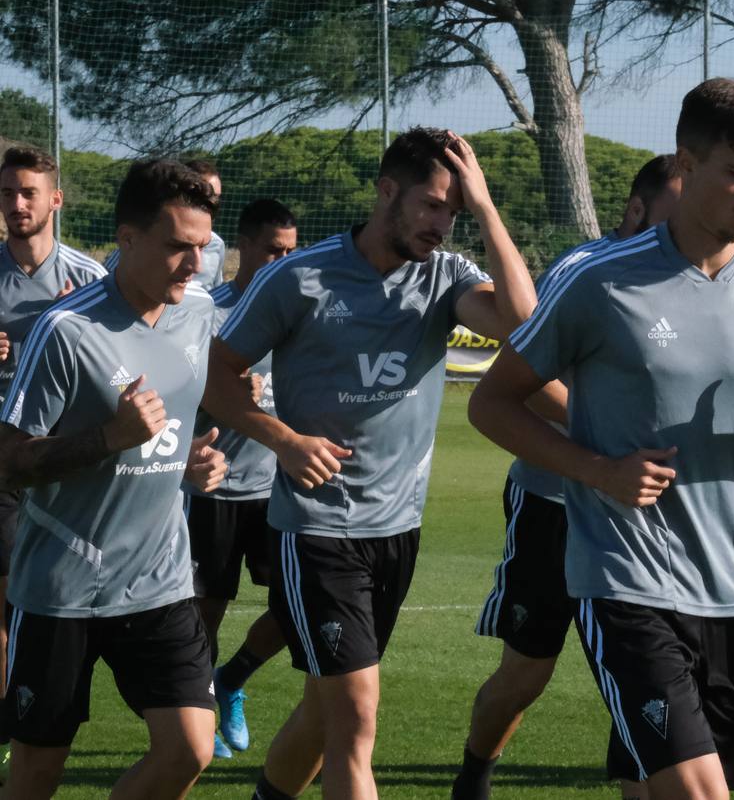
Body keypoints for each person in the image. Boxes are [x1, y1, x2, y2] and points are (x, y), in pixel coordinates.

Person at [469, 77, 734, 800]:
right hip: (624, 580)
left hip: (728, 589)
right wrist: (599, 472)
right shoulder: (600, 283)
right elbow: (492, 403)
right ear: (687, 166)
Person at [202, 127, 535, 799]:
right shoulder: (299, 278)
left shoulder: (446, 278)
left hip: (398, 531)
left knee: (327, 711)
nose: (443, 223)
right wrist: (284, 441)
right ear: (387, 191)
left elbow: (523, 321)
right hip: (317, 530)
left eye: (455, 210)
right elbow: (214, 374)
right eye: (433, 205)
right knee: (356, 717)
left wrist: (487, 207)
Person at [453, 154, 682, 800]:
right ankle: (474, 774)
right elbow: (523, 381)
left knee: (646, 680)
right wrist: (602, 455)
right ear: (635, 210)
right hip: (555, 502)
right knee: (525, 676)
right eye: (670, 215)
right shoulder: (581, 272)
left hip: (642, 514)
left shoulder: (692, 276)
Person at [0, 158, 228, 799]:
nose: (195, 264)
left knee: (189, 749)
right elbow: (10, 460)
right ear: (127, 240)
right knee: (37, 774)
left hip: (160, 581)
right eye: (178, 248)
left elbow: (178, 423)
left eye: (203, 249)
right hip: (62, 590)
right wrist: (109, 439)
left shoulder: (199, 311)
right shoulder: (67, 331)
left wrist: (194, 461)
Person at [188, 198, 299, 760]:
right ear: (244, 248)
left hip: (280, 489)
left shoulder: (302, 307)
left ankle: (231, 679)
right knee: (207, 607)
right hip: (215, 487)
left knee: (295, 609)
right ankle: (199, 709)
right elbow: (178, 400)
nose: (283, 260)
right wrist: (225, 401)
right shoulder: (209, 310)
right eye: (273, 250)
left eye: (291, 251)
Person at [0, 145, 106, 705]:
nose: (17, 203)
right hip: (4, 457)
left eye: (29, 193)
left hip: (66, 458)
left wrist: (80, 327)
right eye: (8, 193)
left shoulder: (89, 279)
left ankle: (44, 705)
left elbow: (123, 358)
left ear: (55, 200)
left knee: (51, 596)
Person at [104, 158, 225, 288]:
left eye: (202, 247)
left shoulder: (217, 245)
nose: (196, 267)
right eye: (178, 246)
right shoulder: (134, 245)